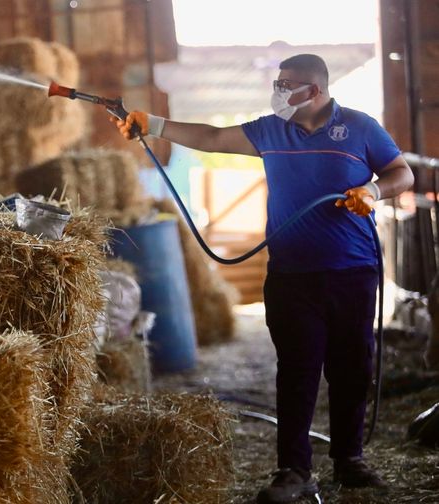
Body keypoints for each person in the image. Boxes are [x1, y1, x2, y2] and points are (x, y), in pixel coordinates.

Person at [112, 54, 414, 503]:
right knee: (297, 368)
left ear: (314, 91)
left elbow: (401, 172)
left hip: (353, 269)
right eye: (277, 81)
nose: (277, 90)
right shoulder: (271, 130)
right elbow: (213, 137)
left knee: (352, 368)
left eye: (285, 84)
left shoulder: (360, 127)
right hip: (291, 273)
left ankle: (349, 460)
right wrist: (152, 123)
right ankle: (294, 470)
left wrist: (372, 190)